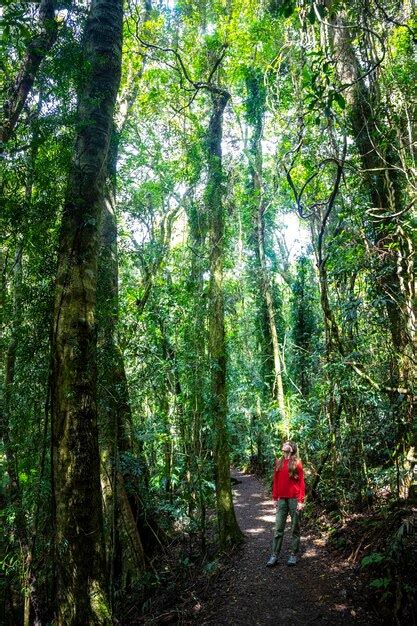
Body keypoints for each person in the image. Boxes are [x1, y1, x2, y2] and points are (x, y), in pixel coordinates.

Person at [266, 440, 305, 567]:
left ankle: (293, 554)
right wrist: (274, 498)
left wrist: (301, 501)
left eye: (288, 443)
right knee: (278, 528)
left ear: (292, 448)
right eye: (284, 443)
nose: (285, 444)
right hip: (282, 499)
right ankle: (274, 555)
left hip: (294, 499)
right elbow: (275, 481)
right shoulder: (279, 462)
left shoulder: (297, 463)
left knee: (295, 528)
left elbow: (301, 482)